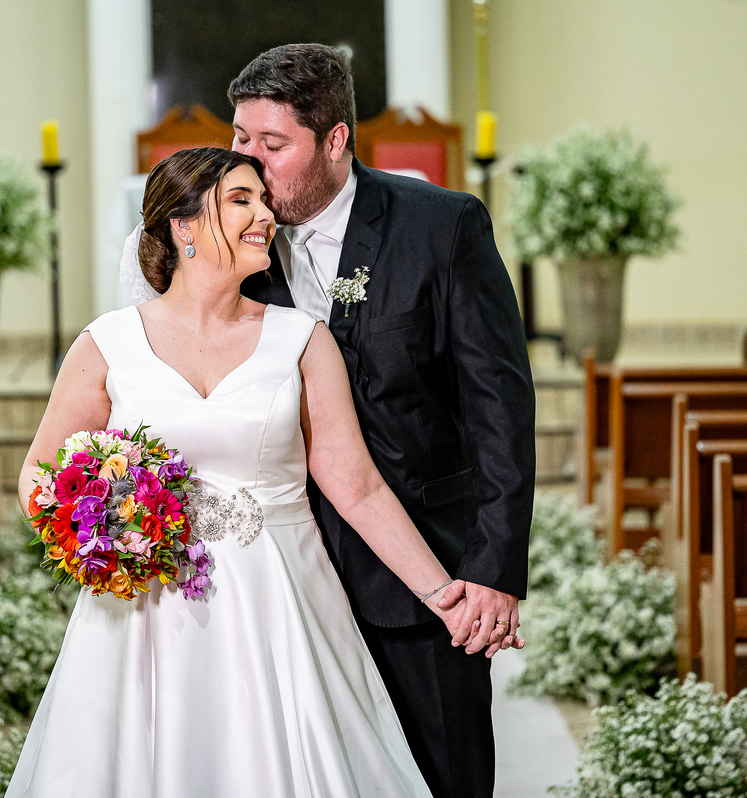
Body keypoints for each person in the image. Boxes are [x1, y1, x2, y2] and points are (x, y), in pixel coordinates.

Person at [6, 147, 506, 797]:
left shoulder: (301, 339)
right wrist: (107, 531)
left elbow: (355, 484)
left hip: (281, 603)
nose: (264, 216)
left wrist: (446, 595)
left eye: (264, 202)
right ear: (183, 226)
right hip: (146, 613)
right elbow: (39, 477)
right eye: (241, 200)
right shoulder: (108, 345)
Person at [230, 44, 536, 798]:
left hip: (423, 572)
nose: (248, 165)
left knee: (444, 777)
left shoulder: (442, 227)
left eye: (273, 146)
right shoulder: (228, 242)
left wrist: (492, 573)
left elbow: (500, 407)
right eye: (240, 140)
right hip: (283, 581)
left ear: (335, 140)